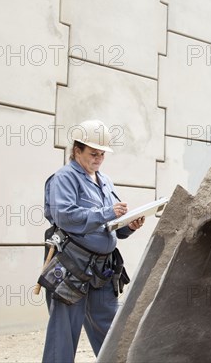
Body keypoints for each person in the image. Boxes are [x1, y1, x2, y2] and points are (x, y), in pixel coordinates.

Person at [41, 119, 145, 363]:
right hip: (69, 268)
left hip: (102, 270)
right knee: (63, 334)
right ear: (77, 151)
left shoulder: (105, 181)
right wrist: (108, 212)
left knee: (111, 330)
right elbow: (65, 217)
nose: (98, 158)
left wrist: (128, 226)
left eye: (102, 154)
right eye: (93, 153)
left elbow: (111, 228)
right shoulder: (64, 178)